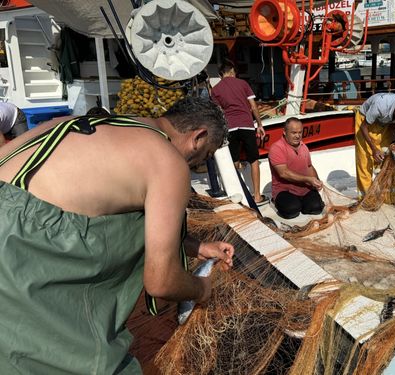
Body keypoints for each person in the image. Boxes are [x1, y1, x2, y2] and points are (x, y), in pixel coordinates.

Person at [0, 97, 234, 374]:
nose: (198, 165)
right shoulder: (168, 161)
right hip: (20, 262)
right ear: (199, 136)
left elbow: (89, 202)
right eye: (206, 156)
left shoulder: (98, 125)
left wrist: (199, 248)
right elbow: (161, 282)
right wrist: (202, 289)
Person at [211, 60, 267, 205]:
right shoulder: (243, 84)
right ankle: (257, 196)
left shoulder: (215, 90)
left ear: (220, 74)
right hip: (247, 126)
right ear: (232, 71)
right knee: (254, 160)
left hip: (230, 128)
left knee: (234, 161)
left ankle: (239, 195)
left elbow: (218, 113)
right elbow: (253, 107)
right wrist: (259, 125)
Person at [355, 93, 395, 196]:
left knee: (389, 157)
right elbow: (363, 127)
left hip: (385, 122)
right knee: (365, 160)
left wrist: (394, 142)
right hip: (365, 122)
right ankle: (365, 197)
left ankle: (388, 195)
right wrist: (374, 149)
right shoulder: (379, 105)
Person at [269, 117, 324, 219]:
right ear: (284, 132)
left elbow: (309, 167)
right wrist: (308, 179)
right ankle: (276, 200)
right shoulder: (276, 148)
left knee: (317, 208)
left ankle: (301, 203)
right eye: (294, 133)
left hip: (304, 189)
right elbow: (283, 173)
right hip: (284, 190)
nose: (298, 136)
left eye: (300, 132)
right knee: (292, 211)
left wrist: (317, 181)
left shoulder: (304, 147)